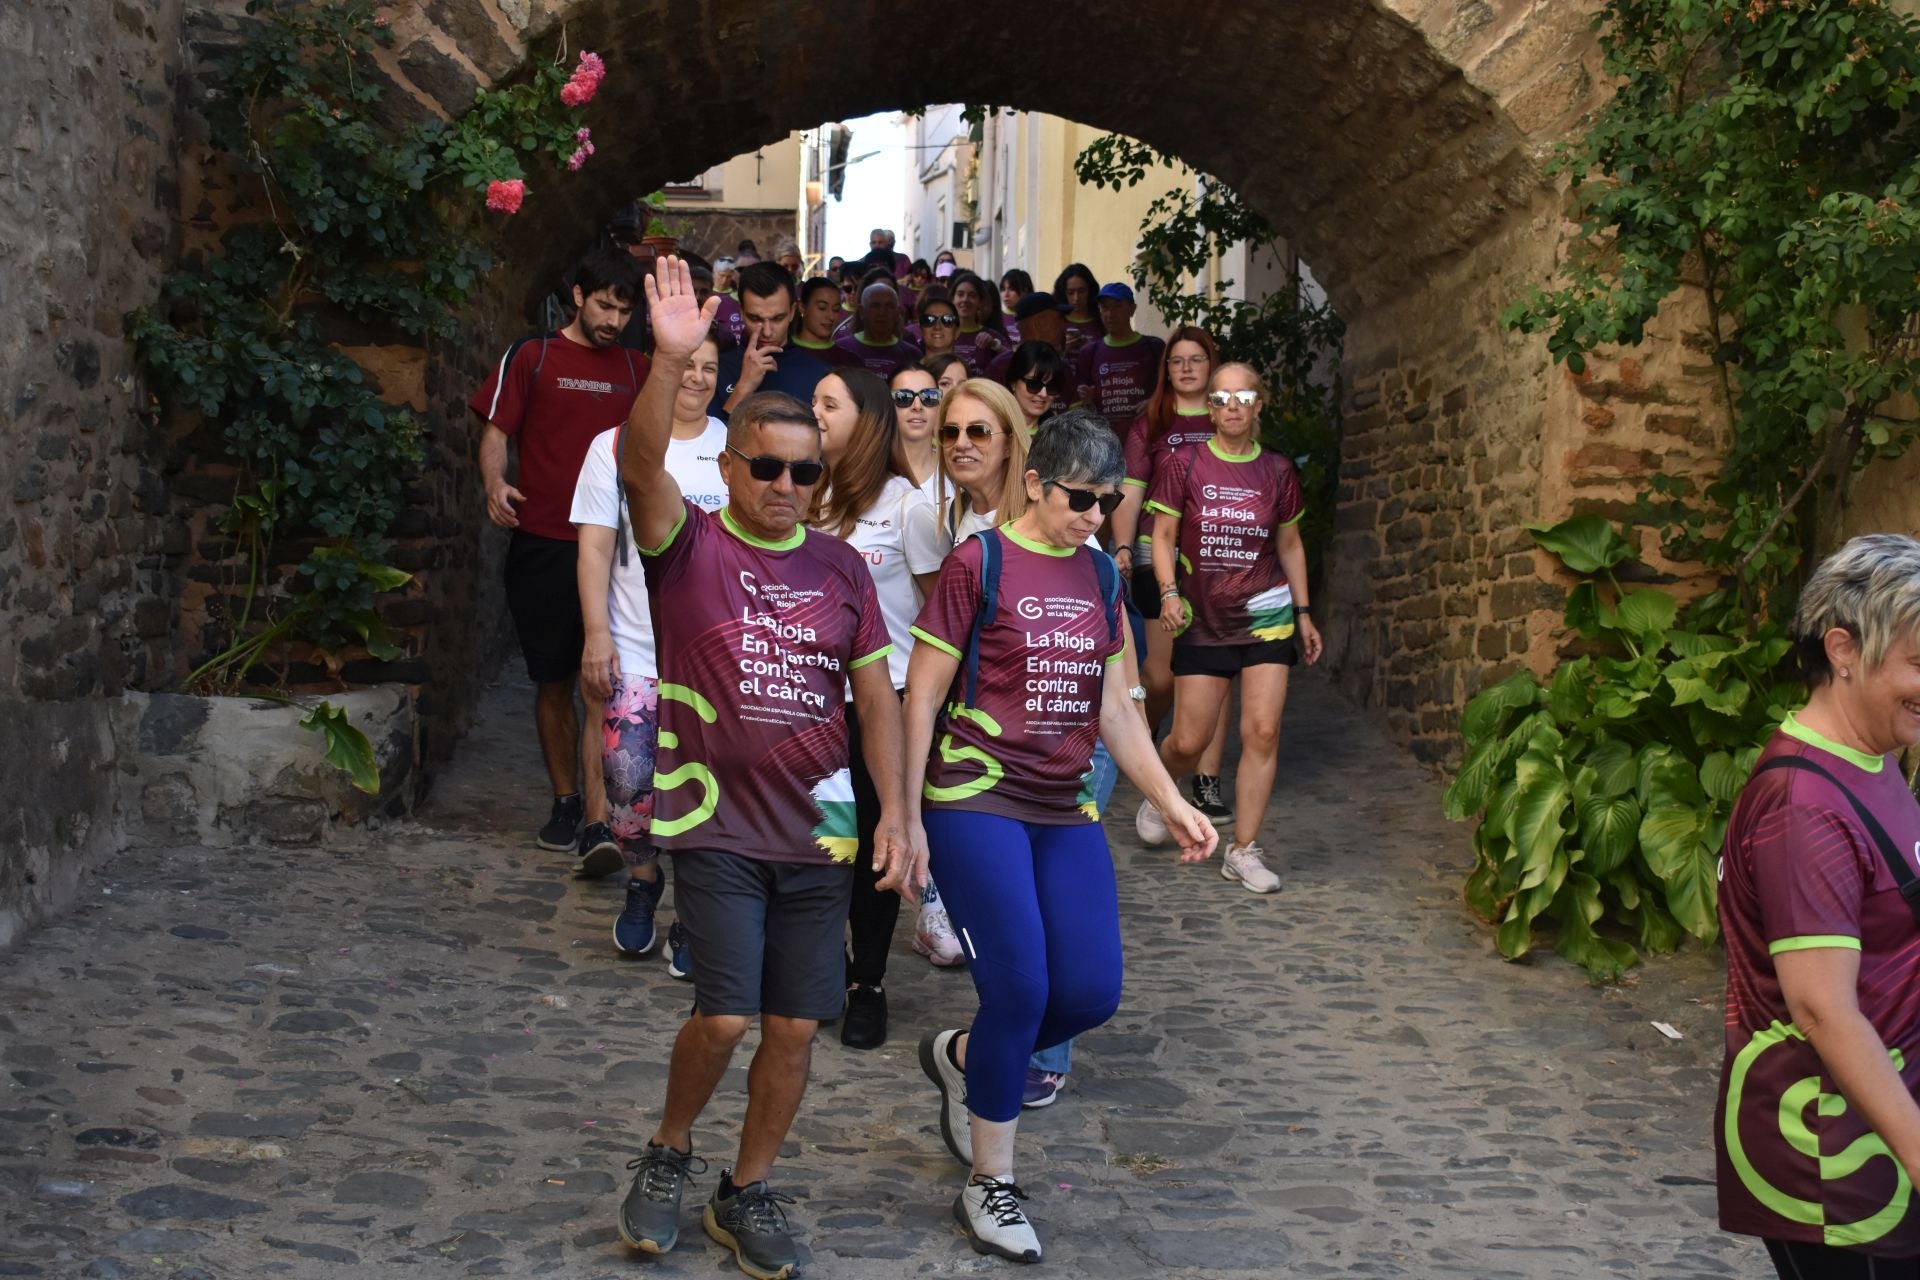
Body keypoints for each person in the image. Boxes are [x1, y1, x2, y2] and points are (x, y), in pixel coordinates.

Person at [613, 259, 921, 1280]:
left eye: (805, 473)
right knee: (727, 1011)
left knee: (796, 1022)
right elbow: (636, 461)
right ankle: (668, 1149)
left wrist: (897, 814)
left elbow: (874, 696)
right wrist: (666, 360)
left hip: (821, 822)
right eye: (768, 469)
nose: (788, 487)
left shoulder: (840, 569)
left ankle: (745, 1187)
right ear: (735, 467)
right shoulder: (686, 542)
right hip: (715, 815)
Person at [906, 410, 1216, 1263]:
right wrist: (904, 823)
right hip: (974, 799)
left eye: (1108, 500)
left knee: (1088, 993)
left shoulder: (1102, 578)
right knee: (1020, 989)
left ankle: (964, 1055)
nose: (1094, 513)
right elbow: (922, 697)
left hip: (1063, 804)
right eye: (1080, 497)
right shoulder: (981, 562)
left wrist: (1172, 797)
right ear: (1036, 482)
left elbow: (1117, 706)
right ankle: (990, 1182)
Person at [1715, 534, 1920, 1278]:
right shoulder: (1803, 806)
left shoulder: (1875, 757)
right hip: (1838, 1160)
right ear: (1843, 649)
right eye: (1919, 664)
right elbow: (1822, 1009)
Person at [472, 247, 648, 853]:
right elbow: (497, 430)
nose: (613, 320)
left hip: (618, 553)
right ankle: (566, 800)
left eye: (624, 310)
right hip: (545, 543)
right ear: (578, 295)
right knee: (553, 681)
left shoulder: (636, 369)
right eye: (604, 305)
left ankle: (608, 812)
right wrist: (495, 481)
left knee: (606, 684)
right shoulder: (534, 355)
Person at [572, 331, 728, 974]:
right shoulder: (613, 445)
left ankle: (694, 916)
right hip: (636, 647)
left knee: (708, 796)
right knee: (629, 786)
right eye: (686, 365)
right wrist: (596, 633)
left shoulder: (735, 446)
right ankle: (643, 879)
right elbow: (594, 549)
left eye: (710, 368)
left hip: (717, 660)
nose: (696, 378)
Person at [1136, 364, 1322, 894]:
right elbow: (1164, 536)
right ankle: (1160, 788)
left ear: (1259, 404)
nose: (1233, 405)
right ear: (1211, 408)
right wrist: (1169, 592)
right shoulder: (1184, 462)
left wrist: (1304, 614)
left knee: (1261, 731)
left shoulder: (1278, 471)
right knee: (1189, 741)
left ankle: (1243, 850)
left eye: (1243, 395)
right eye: (1221, 397)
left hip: (1267, 615)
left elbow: (1289, 544)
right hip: (1204, 618)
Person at [811, 368, 946, 1049]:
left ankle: (868, 981)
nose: (815, 413)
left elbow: (940, 617)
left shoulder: (906, 507)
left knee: (873, 846)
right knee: (817, 842)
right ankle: (824, 966)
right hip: (808, 703)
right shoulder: (799, 492)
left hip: (880, 703)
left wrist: (921, 706)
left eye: (827, 404)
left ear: (864, 420)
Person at [1112, 328, 1232, 818]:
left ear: (1211, 364)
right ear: (1166, 369)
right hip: (1152, 553)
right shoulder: (1151, 423)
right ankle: (1152, 746)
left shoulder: (1228, 415)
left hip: (1218, 560)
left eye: (1196, 359)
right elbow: (1132, 490)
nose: (1186, 368)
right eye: (1177, 360)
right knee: (1160, 677)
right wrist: (1120, 545)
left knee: (1214, 670)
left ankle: (1206, 779)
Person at [708, 263, 831, 422]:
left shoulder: (821, 375)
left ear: (793, 312)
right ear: (742, 313)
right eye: (755, 318)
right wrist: (743, 388)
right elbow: (705, 442)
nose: (766, 331)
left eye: (777, 318)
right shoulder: (714, 370)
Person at [1075, 282, 1164, 427]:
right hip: (1105, 442)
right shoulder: (1089, 353)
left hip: (1146, 437)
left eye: (1117, 306)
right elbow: (1080, 406)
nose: (1110, 314)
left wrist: (1154, 402)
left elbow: (1171, 391)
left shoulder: (1154, 347)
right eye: (1105, 307)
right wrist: (1087, 398)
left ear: (1132, 309)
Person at [831, 281, 921, 377]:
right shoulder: (840, 350)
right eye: (875, 306)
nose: (882, 312)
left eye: (889, 306)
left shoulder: (912, 354)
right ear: (861, 311)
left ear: (897, 313)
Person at [981, 292, 1068, 385]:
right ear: (1041, 324)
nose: (1064, 324)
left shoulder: (1063, 369)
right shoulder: (1000, 369)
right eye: (1060, 318)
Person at [890, 364, 942, 488]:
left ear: (939, 406)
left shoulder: (956, 471)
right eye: (903, 397)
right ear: (887, 405)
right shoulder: (868, 471)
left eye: (929, 396)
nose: (917, 406)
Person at [1004, 340, 1070, 433]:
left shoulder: (1060, 436)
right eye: (1034, 384)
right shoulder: (994, 429)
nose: (1043, 394)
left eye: (1052, 386)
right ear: (1013, 383)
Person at [949, 271, 1009, 370]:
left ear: (981, 302)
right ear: (952, 299)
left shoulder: (992, 336)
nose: (965, 300)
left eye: (972, 296)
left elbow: (1015, 362)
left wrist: (995, 345)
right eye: (960, 294)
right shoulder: (941, 333)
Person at [1052, 263, 1104, 356]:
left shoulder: (1102, 321)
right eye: (1070, 292)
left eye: (1081, 291)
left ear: (1090, 291)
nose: (1076, 298)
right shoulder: (1054, 321)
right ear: (1063, 293)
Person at [792, 276, 841, 359]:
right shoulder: (780, 353)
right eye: (822, 308)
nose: (831, 316)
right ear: (802, 307)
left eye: (836, 309)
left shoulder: (850, 360)